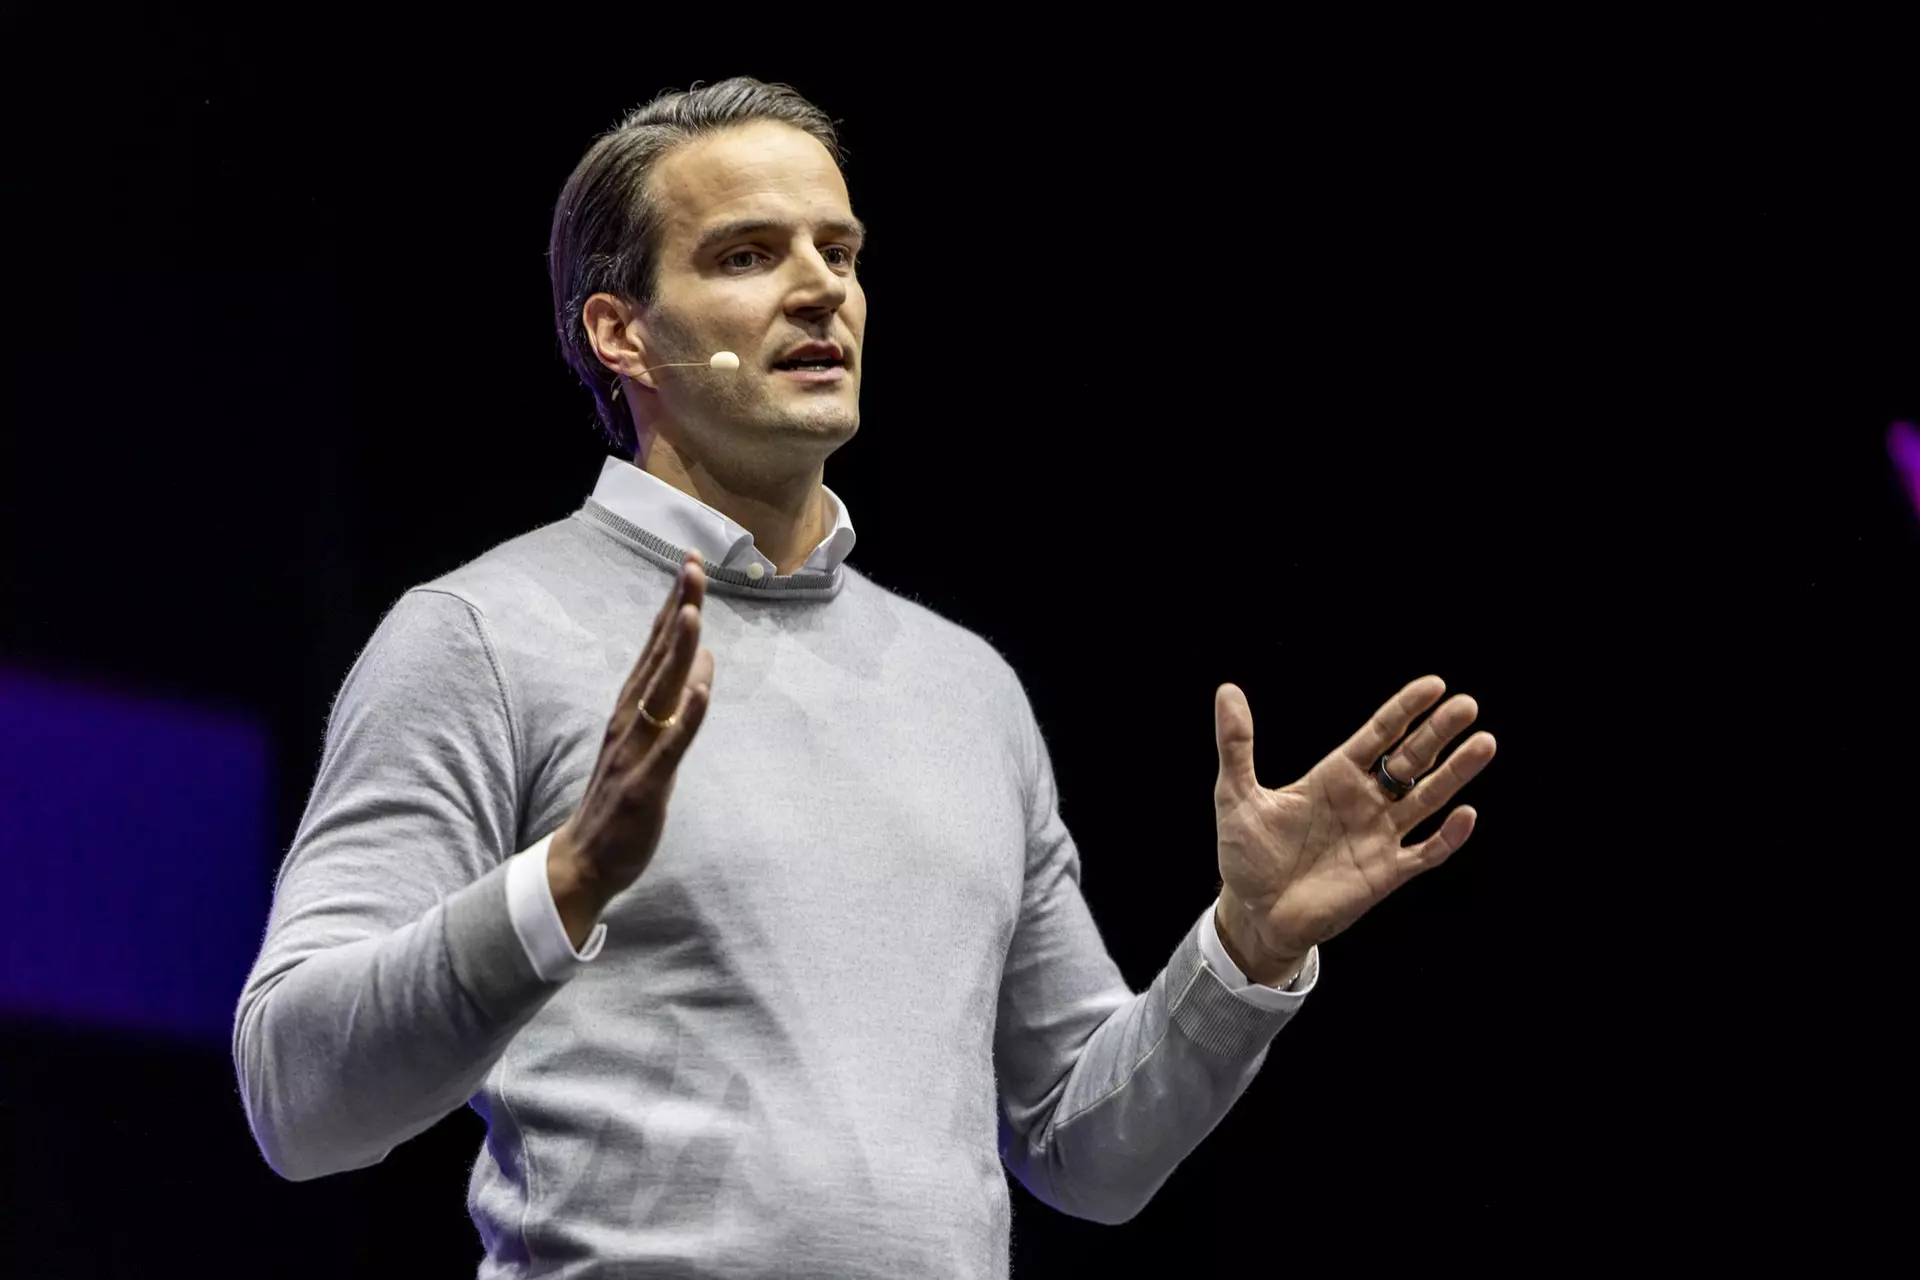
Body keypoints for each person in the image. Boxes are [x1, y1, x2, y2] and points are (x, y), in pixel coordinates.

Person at [232, 76, 1496, 1279]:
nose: (819, 292)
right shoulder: (480, 635)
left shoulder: (966, 688)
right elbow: (297, 1097)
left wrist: (1245, 951)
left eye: (838, 253)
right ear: (620, 331)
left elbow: (1080, 1148)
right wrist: (561, 885)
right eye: (747, 255)